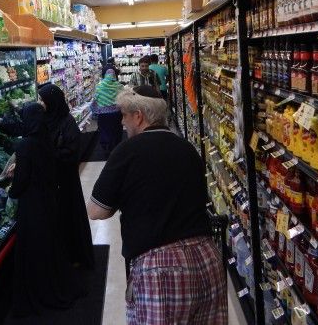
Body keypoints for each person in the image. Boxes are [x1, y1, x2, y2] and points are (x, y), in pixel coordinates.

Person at [87, 86, 226, 325]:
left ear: (138, 115)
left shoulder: (126, 151)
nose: (122, 122)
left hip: (161, 270)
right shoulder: (187, 148)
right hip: (208, 259)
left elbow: (96, 210)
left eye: (124, 115)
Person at [7, 102, 82, 316]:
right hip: (49, 198)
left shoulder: (25, 145)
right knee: (50, 243)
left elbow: (21, 181)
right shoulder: (46, 138)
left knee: (35, 249)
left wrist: (11, 191)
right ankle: (57, 283)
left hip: (32, 205)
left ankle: (40, 290)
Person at [38, 83, 95, 269]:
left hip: (65, 181)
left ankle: (74, 255)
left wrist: (47, 155)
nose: (40, 103)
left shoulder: (67, 122)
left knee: (69, 217)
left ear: (52, 102)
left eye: (42, 100)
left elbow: (71, 152)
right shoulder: (45, 119)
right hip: (51, 181)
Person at [91, 68, 124, 154]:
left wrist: (94, 109)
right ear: (114, 76)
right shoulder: (119, 86)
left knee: (105, 131)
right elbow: (124, 98)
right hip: (117, 114)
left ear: (105, 75)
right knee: (117, 130)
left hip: (103, 115)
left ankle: (107, 148)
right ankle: (117, 148)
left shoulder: (100, 86)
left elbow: (96, 99)